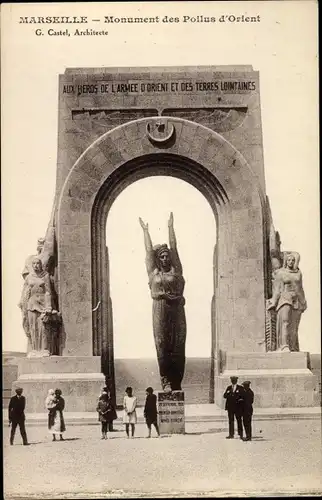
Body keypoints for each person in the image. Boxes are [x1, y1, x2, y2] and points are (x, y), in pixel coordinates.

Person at [139, 212, 186, 392]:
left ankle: (176, 382)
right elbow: (148, 251)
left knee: (178, 345)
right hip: (160, 308)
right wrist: (145, 231)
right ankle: (165, 380)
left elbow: (174, 247)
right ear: (158, 259)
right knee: (162, 344)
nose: (166, 258)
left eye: (167, 256)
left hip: (177, 309)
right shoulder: (153, 273)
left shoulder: (176, 270)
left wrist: (170, 228)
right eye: (162, 256)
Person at [267, 252, 307, 352]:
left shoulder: (298, 273)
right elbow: (277, 289)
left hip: (296, 300)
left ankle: (292, 346)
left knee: (294, 326)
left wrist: (303, 301)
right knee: (285, 322)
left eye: (293, 260)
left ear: (296, 261)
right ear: (286, 261)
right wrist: (273, 302)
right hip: (285, 299)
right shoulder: (281, 273)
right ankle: (284, 345)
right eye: (289, 260)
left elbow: (300, 288)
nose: (291, 262)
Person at [19, 257, 54, 357]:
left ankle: (44, 349)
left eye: (37, 263)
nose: (35, 265)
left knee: (43, 327)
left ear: (41, 265)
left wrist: (49, 307)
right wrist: (22, 304)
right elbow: (25, 292)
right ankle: (34, 350)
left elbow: (48, 292)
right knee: (33, 327)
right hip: (31, 304)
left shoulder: (45, 275)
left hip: (43, 304)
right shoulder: (29, 277)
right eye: (33, 264)